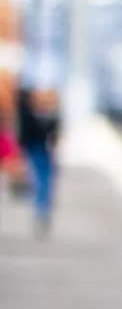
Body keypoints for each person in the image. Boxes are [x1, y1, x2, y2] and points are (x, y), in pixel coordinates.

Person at [17, 86, 59, 236]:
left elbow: (54, 135)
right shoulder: (30, 113)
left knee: (43, 179)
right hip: (35, 149)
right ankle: (41, 209)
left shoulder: (49, 114)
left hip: (41, 150)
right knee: (40, 178)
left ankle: (42, 209)